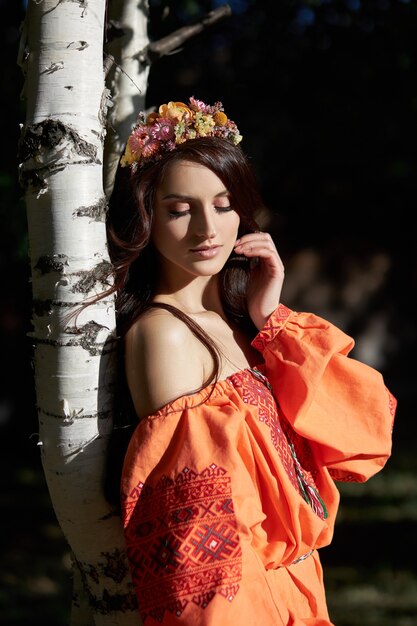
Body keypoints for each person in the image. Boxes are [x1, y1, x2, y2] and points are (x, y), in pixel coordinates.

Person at [103, 97, 396, 626]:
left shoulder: (242, 325)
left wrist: (270, 318)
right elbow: (201, 543)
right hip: (251, 603)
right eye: (178, 209)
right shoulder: (162, 336)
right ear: (147, 218)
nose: (206, 229)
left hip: (301, 586)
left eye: (221, 204)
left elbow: (360, 434)